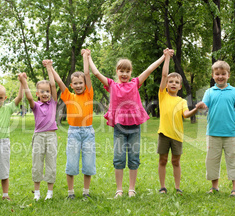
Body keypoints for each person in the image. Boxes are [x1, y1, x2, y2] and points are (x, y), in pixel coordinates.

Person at [89, 51, 166, 198]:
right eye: (121, 71)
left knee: (134, 157)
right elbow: (96, 73)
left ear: (131, 72)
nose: (124, 74)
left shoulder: (135, 83)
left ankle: (131, 189)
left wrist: (164, 57)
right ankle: (119, 189)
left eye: (127, 71)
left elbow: (150, 69)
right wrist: (89, 57)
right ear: (117, 72)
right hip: (119, 128)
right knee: (118, 158)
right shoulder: (112, 85)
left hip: (134, 127)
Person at [196, 60, 235, 197]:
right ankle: (214, 187)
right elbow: (205, 106)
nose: (220, 76)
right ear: (213, 76)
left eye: (223, 74)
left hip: (231, 133)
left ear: (228, 75)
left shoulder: (234, 92)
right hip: (213, 133)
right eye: (217, 74)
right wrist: (201, 106)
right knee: (212, 160)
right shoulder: (209, 92)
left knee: (234, 159)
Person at [50, 49, 96, 200]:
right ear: (72, 84)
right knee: (71, 163)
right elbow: (59, 82)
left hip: (88, 133)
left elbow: (87, 73)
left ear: (84, 84)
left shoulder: (89, 93)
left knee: (88, 164)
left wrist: (85, 57)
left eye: (80, 83)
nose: (78, 85)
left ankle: (86, 191)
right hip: (74, 133)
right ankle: (70, 193)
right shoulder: (69, 96)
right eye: (75, 83)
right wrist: (50, 67)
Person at [157, 48, 198, 195]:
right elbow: (163, 75)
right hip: (164, 134)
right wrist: (167, 57)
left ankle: (177, 187)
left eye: (176, 82)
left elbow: (186, 115)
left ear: (180, 86)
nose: (173, 84)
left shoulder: (181, 101)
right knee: (163, 160)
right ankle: (162, 187)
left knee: (175, 161)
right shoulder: (162, 95)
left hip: (177, 136)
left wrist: (196, 109)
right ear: (166, 84)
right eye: (170, 81)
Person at [20, 67, 58, 201]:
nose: (45, 93)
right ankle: (37, 192)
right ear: (38, 93)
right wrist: (24, 81)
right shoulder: (35, 106)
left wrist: (49, 68)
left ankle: (49, 192)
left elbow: (53, 84)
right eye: (42, 91)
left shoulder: (53, 103)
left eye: (47, 91)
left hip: (51, 136)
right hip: (39, 137)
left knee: (51, 163)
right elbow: (28, 96)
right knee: (37, 164)